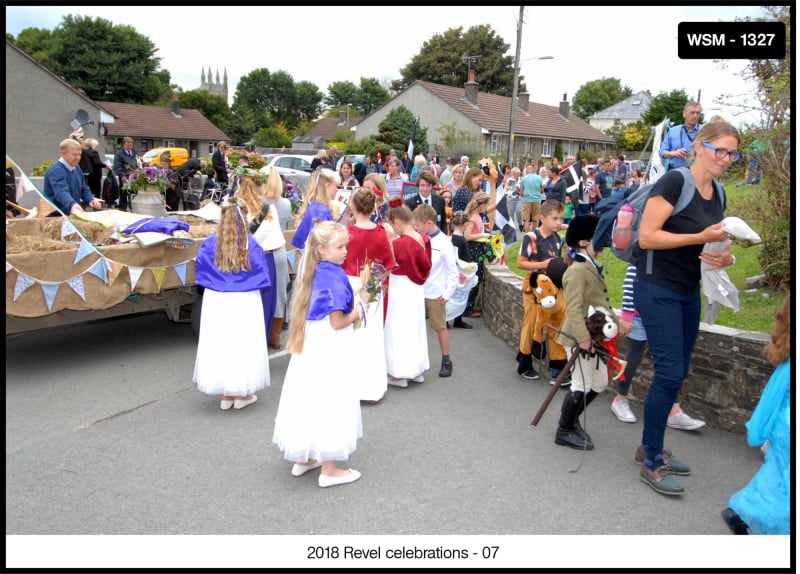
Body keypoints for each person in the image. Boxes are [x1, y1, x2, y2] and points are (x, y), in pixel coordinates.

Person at [635, 116, 738, 496]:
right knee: (668, 372)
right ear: (700, 146)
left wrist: (724, 258)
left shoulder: (721, 193)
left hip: (687, 288)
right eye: (719, 150)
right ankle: (652, 460)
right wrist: (698, 237)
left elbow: (717, 245)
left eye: (732, 152)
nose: (726, 158)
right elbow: (647, 237)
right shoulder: (675, 181)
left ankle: (650, 445)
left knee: (678, 372)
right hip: (657, 287)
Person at [272, 221, 364, 488]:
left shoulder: (314, 272)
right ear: (322, 249)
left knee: (309, 395)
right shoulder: (333, 276)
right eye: (340, 246)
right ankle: (329, 469)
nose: (346, 251)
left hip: (313, 344)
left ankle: (305, 457)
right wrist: (360, 309)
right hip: (330, 346)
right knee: (331, 398)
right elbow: (338, 321)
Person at [722, 291, 790, 535]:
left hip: (783, 430)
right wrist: (761, 432)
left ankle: (742, 512)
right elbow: (772, 398)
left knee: (779, 477)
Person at [193, 199, 271, 411]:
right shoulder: (251, 244)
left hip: (217, 299)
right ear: (244, 219)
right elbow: (262, 272)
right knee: (242, 342)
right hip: (244, 299)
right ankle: (242, 392)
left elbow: (201, 268)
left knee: (221, 341)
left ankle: (226, 394)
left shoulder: (210, 243)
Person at [614, 263, 707, 430]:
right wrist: (627, 315)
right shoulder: (645, 248)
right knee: (633, 358)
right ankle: (620, 398)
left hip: (662, 313)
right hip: (638, 316)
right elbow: (630, 283)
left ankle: (674, 410)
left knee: (668, 362)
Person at [553, 214, 618, 450]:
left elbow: (599, 301)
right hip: (579, 335)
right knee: (581, 384)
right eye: (598, 238)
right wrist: (582, 339)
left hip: (594, 335)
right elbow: (573, 308)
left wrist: (618, 322)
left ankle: (572, 421)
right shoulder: (577, 270)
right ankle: (564, 429)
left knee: (599, 384)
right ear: (583, 242)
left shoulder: (590, 266)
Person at [342, 187, 396, 403]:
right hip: (372, 285)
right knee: (372, 335)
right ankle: (371, 387)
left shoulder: (347, 233)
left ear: (353, 206)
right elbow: (390, 265)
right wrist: (376, 280)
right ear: (374, 207)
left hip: (350, 284)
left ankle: (350, 385)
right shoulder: (381, 233)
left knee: (351, 334)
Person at [384, 199, 432, 387]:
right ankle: (416, 370)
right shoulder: (422, 238)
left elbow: (390, 265)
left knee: (398, 328)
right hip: (416, 289)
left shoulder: (401, 244)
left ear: (396, 222)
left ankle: (400, 373)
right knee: (415, 327)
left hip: (401, 287)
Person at [515, 200, 565, 381]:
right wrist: (542, 265)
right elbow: (520, 263)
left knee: (552, 325)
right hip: (534, 287)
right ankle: (525, 362)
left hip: (551, 288)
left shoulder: (557, 238)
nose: (559, 222)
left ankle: (557, 365)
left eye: (561, 218)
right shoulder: (532, 237)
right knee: (531, 325)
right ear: (542, 218)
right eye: (555, 218)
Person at [235, 167, 283, 350]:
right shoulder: (269, 210)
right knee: (264, 307)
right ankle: (259, 348)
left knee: (244, 308)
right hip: (264, 261)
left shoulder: (234, 209)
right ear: (259, 186)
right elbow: (277, 243)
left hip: (242, 262)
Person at [412, 203, 458, 378]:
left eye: (418, 225)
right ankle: (415, 361)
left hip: (435, 292)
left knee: (440, 326)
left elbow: (452, 270)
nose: (416, 228)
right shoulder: (417, 238)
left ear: (429, 222)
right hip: (417, 290)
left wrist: (447, 293)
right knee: (415, 326)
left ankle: (446, 360)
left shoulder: (444, 242)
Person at [43, 138, 103, 215]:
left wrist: (90, 199)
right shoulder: (56, 170)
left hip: (71, 214)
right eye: (74, 154)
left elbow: (83, 188)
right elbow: (61, 192)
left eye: (79, 154)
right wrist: (72, 204)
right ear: (63, 153)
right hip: (56, 217)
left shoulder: (77, 168)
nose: (78, 158)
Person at [291, 168, 340, 252]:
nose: (337, 189)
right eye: (336, 186)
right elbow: (323, 243)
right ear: (327, 185)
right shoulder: (321, 212)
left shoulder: (315, 206)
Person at [462, 191, 494, 319]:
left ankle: (470, 306)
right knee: (475, 279)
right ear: (481, 205)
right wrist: (482, 235)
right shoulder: (473, 217)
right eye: (486, 205)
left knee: (477, 278)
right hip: (474, 250)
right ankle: (467, 309)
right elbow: (467, 236)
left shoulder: (477, 216)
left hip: (478, 249)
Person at [660, 101, 703, 171]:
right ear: (684, 114)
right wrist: (674, 153)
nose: (695, 115)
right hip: (675, 172)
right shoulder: (673, 131)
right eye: (692, 112)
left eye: (698, 113)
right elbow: (662, 152)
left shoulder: (704, 131)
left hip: (696, 173)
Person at [449, 210, 472, 330]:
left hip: (451, 270)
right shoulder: (462, 240)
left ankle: (447, 319)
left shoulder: (450, 238)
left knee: (451, 294)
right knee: (460, 295)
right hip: (460, 271)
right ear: (465, 224)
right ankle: (458, 319)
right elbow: (464, 258)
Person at [113, 136, 139, 211]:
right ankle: (123, 209)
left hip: (134, 176)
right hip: (125, 177)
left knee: (135, 193)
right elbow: (117, 166)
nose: (129, 147)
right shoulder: (119, 154)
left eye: (130, 145)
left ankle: (133, 208)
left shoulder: (135, 153)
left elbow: (138, 162)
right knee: (124, 194)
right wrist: (122, 175)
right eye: (127, 145)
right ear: (123, 145)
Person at [519, 164, 543, 233]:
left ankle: (527, 235)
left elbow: (521, 193)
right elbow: (542, 190)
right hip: (537, 200)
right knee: (535, 219)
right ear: (534, 169)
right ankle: (534, 235)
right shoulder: (539, 178)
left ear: (526, 170)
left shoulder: (524, 179)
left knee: (526, 219)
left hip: (527, 200)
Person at [504, 166, 522, 230]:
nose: (518, 175)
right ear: (513, 173)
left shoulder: (521, 180)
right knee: (510, 214)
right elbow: (505, 189)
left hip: (519, 198)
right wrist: (507, 194)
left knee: (518, 212)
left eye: (519, 173)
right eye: (517, 173)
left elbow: (523, 188)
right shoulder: (509, 180)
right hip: (510, 198)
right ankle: (512, 226)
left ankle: (520, 223)